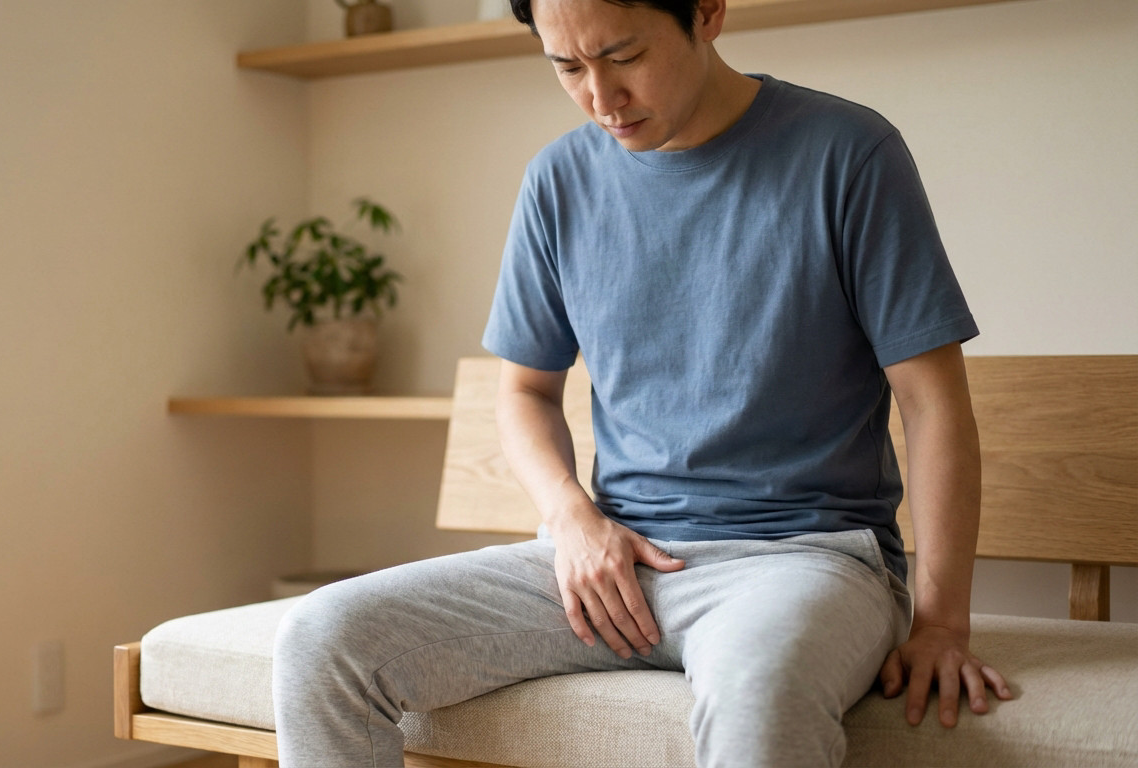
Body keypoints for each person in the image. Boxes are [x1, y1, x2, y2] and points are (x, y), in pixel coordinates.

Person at [272, 0, 1013, 765]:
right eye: (567, 66)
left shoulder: (848, 152)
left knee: (760, 700)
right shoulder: (559, 180)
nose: (601, 96)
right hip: (613, 558)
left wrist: (941, 626)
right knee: (323, 639)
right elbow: (523, 391)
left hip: (800, 559)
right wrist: (573, 520)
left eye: (623, 57)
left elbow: (933, 403)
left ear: (707, 11)